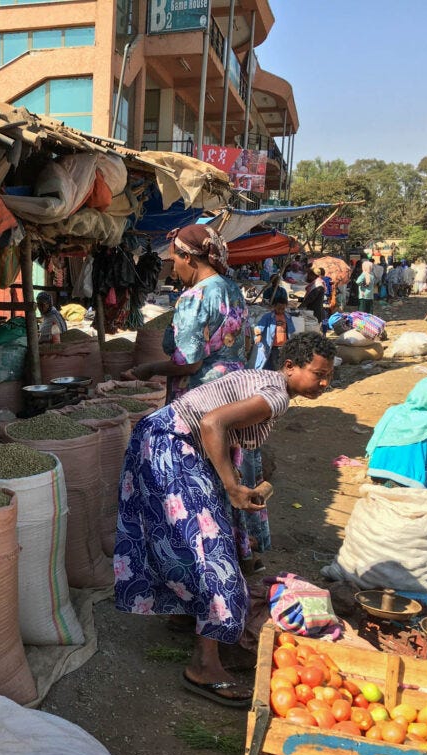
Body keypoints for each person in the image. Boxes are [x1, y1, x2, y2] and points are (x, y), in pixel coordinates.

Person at [114, 333, 337, 707]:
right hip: (171, 442)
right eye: (318, 374)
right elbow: (214, 423)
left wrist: (242, 476)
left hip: (159, 435)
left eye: (329, 376)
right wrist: (232, 486)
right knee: (213, 551)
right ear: (290, 367)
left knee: (188, 537)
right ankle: (204, 665)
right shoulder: (276, 394)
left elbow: (227, 426)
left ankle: (187, 615)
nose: (325, 383)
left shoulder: (266, 383)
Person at [128, 224, 249, 401]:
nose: (174, 271)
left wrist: (150, 368)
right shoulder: (232, 288)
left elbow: (189, 364)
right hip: (233, 391)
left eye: (174, 262)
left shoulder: (194, 298)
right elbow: (247, 340)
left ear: (187, 257)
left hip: (200, 397)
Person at [253, 295, 294, 370]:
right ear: (274, 306)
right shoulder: (268, 317)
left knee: (280, 367)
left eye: (283, 309)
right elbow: (258, 327)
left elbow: (291, 332)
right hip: (271, 346)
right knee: (268, 366)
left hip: (283, 347)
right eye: (279, 308)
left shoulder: (288, 317)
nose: (281, 310)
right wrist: (258, 335)